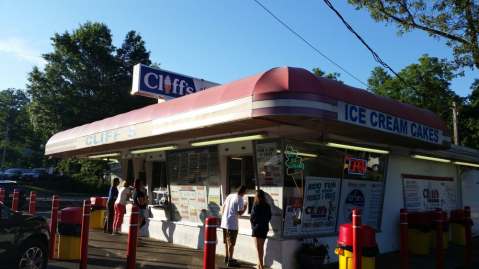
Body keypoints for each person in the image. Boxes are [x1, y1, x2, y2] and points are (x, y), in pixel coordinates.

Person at [221, 185, 247, 267]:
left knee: (226, 241)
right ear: (244, 192)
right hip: (232, 224)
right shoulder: (240, 199)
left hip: (224, 222)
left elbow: (223, 207)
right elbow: (240, 213)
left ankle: (227, 257)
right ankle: (230, 260)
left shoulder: (230, 195)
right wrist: (245, 206)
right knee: (231, 243)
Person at [250, 189, 271, 269]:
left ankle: (261, 266)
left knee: (258, 248)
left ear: (257, 196)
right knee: (261, 247)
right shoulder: (267, 205)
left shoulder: (256, 205)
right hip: (264, 228)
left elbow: (252, 218)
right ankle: (259, 264)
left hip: (257, 228)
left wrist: (253, 227)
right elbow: (269, 217)